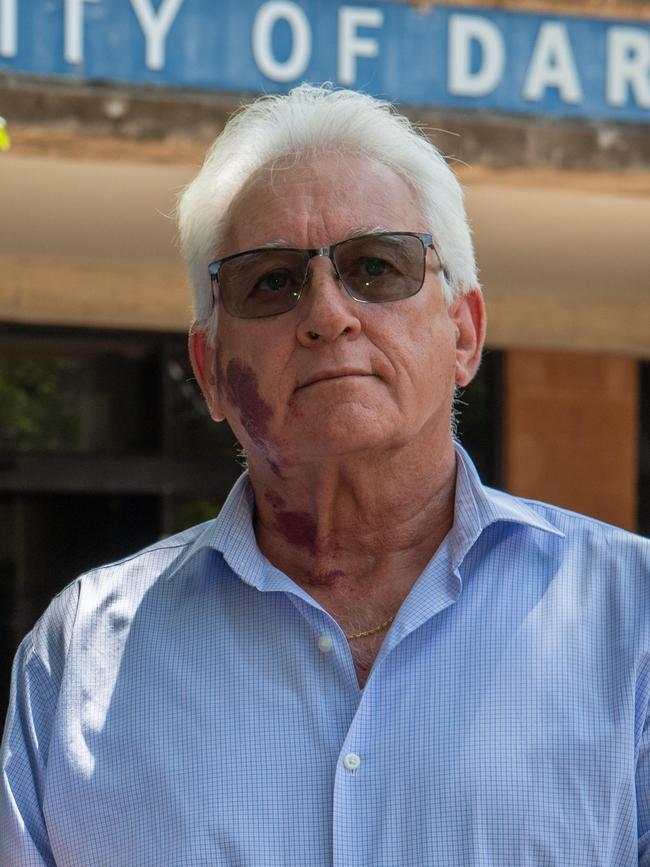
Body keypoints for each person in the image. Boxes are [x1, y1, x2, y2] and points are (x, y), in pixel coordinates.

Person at [1, 84, 649, 867]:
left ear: (464, 334)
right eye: (270, 280)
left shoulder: (631, 620)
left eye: (377, 266)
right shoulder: (79, 658)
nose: (328, 312)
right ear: (209, 370)